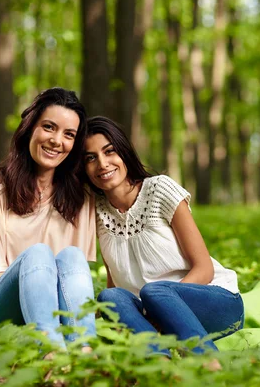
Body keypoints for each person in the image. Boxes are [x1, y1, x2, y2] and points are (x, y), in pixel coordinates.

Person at [82, 116, 244, 356]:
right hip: (152, 315)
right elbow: (115, 281)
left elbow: (204, 268)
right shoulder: (96, 213)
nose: (103, 164)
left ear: (124, 152)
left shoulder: (160, 189)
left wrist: (158, 305)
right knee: (109, 296)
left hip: (214, 303)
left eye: (110, 151)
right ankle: (160, 364)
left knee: (153, 290)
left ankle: (210, 363)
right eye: (90, 158)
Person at [0, 88, 96, 351]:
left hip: (53, 309)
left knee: (73, 257)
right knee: (38, 255)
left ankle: (84, 351)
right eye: (49, 127)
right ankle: (52, 352)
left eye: (69, 135)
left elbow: (74, 278)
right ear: (30, 127)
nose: (57, 140)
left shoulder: (82, 197)